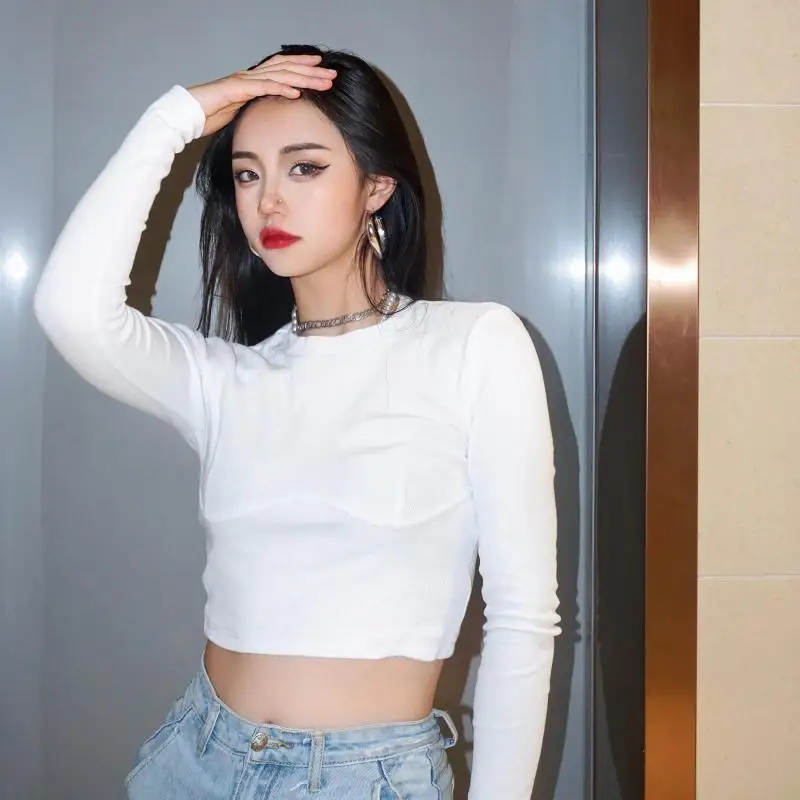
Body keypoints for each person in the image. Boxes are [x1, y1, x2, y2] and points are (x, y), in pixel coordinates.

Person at [34, 44, 560, 800]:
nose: (269, 202)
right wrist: (175, 118)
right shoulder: (226, 379)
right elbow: (71, 311)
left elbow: (523, 618)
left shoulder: (475, 344)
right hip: (196, 759)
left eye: (304, 167)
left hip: (367, 778)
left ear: (377, 186)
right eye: (248, 174)